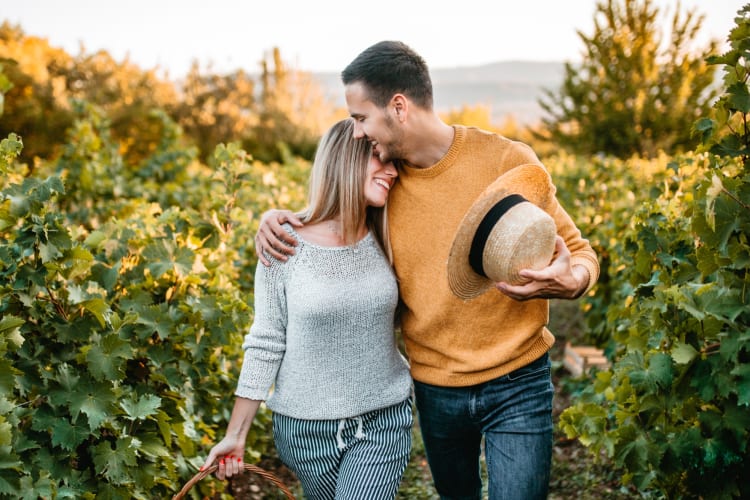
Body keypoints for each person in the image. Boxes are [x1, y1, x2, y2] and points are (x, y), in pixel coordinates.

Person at [255, 41, 600, 500]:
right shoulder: (385, 184)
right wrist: (280, 217)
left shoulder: (506, 161)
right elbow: (334, 216)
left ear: (398, 107)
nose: (357, 133)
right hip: (437, 390)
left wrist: (573, 280)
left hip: (518, 378)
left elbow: (579, 251)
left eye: (361, 118)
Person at [201, 118, 413, 500]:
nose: (393, 171)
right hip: (304, 431)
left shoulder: (391, 230)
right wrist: (235, 435)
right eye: (380, 158)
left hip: (384, 417)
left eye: (393, 161)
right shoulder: (284, 244)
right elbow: (266, 341)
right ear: (345, 161)